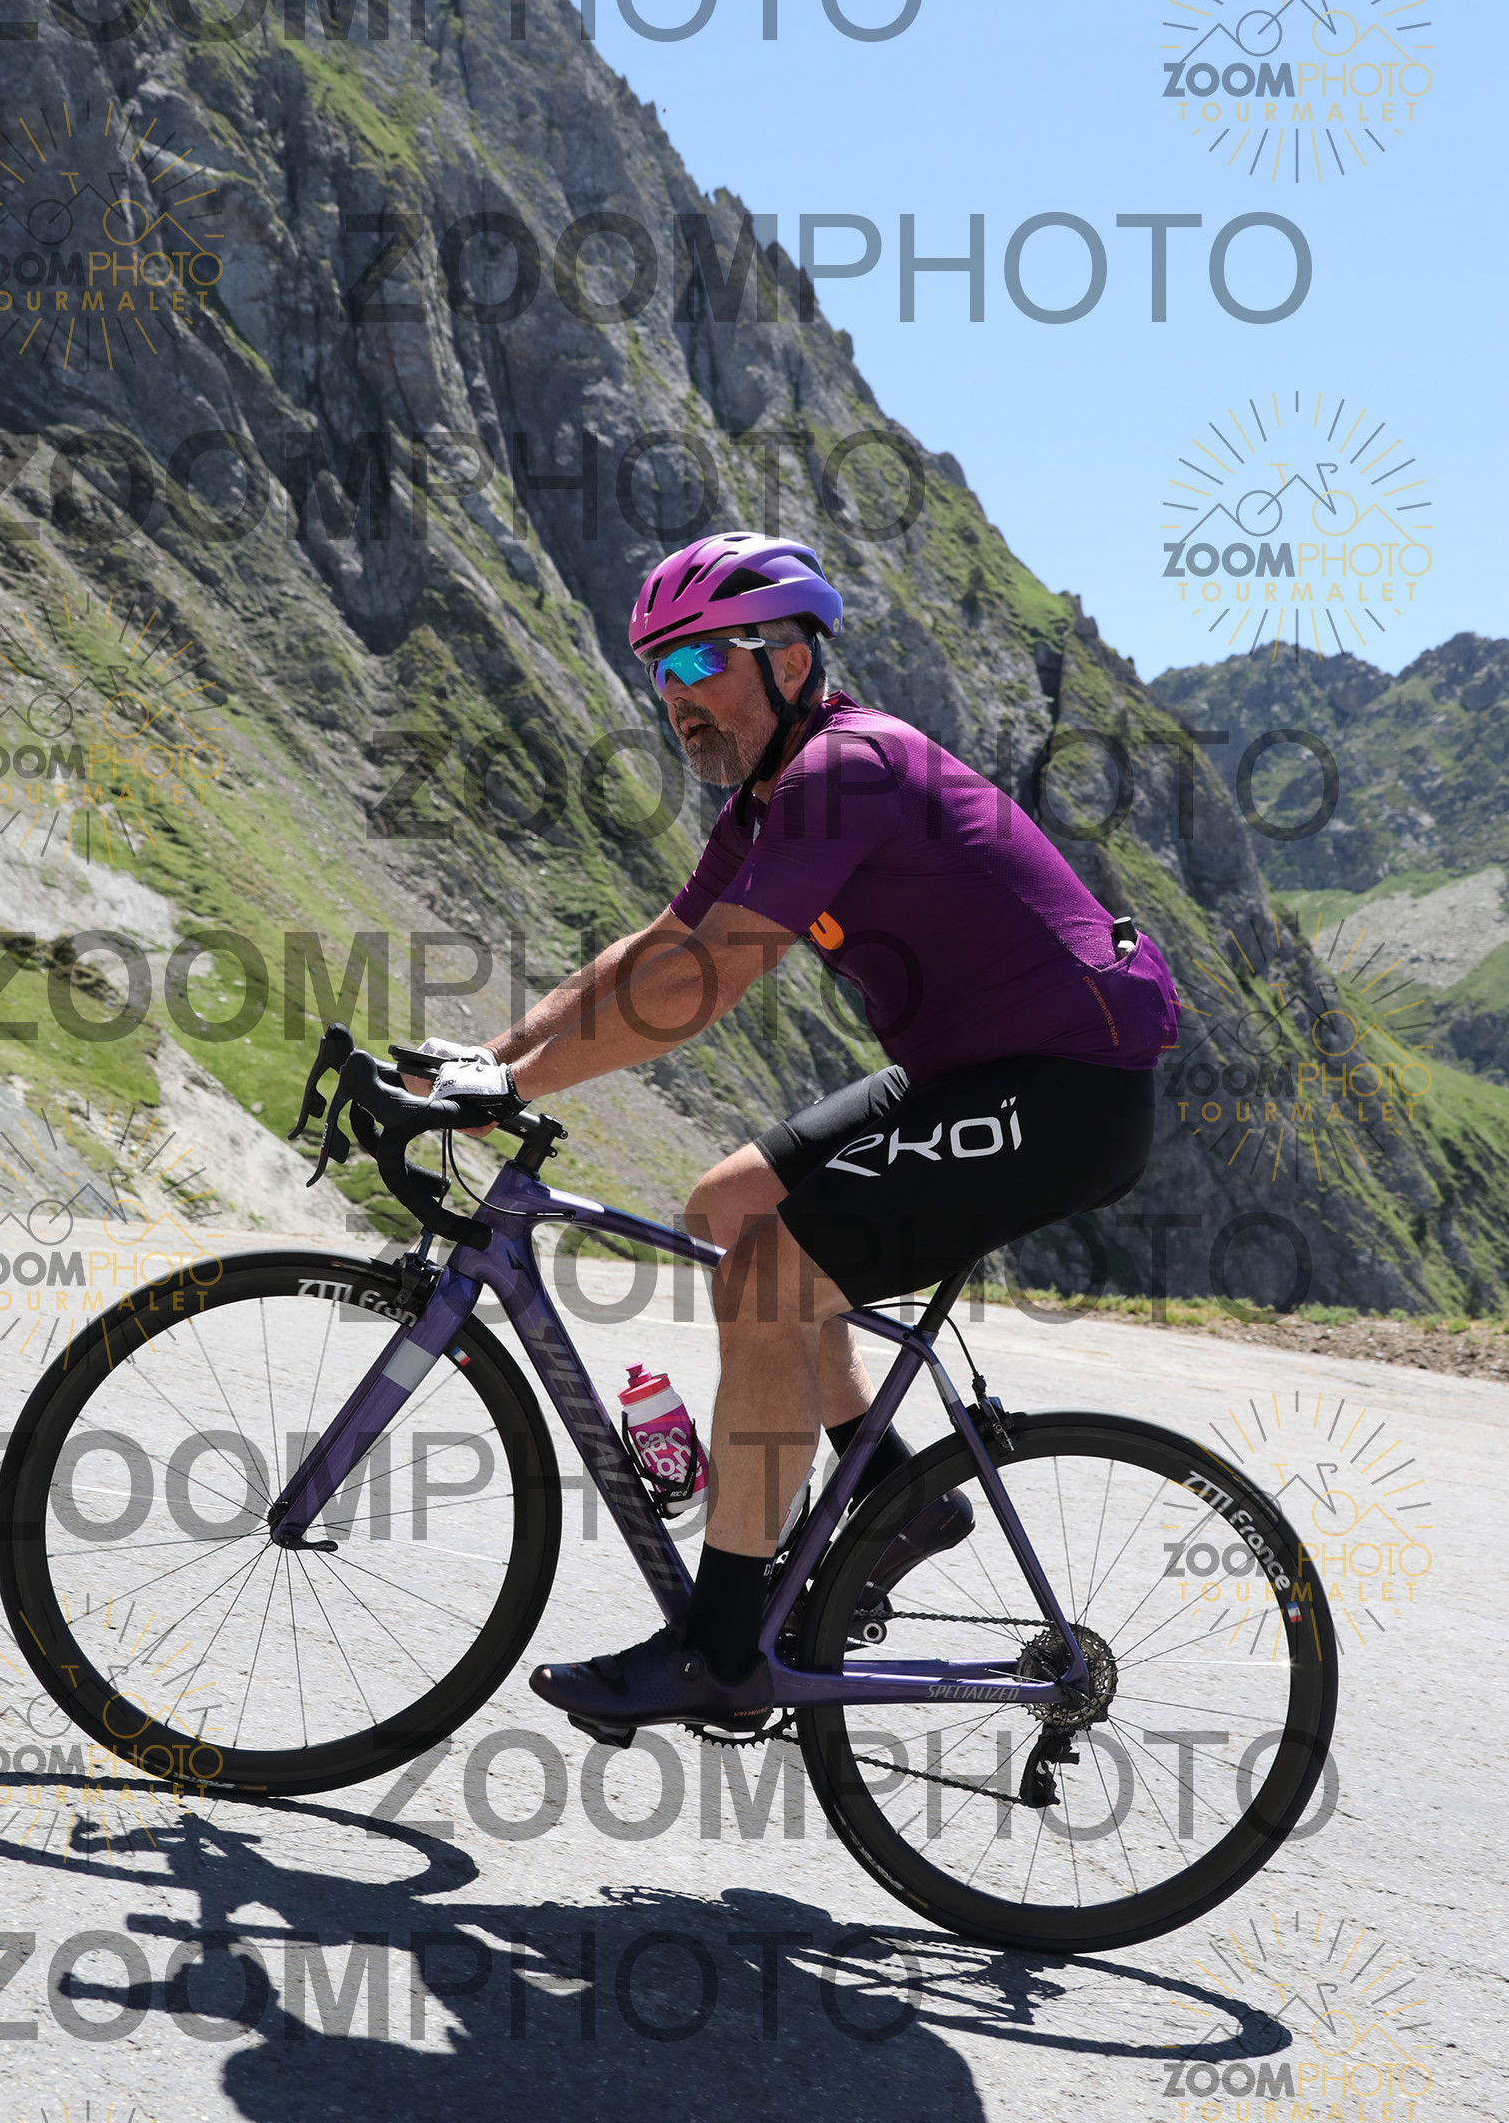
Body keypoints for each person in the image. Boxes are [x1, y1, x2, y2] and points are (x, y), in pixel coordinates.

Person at [428, 533, 1180, 1732]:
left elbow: (702, 986)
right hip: (976, 1077)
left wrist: (516, 1092)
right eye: (657, 671)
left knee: (772, 1279)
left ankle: (720, 1653)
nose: (672, 696)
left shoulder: (846, 770)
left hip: (1063, 1091)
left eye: (697, 663)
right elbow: (658, 947)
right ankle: (895, 1499)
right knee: (729, 1209)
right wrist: (491, 1061)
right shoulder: (774, 794)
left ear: (787, 659)